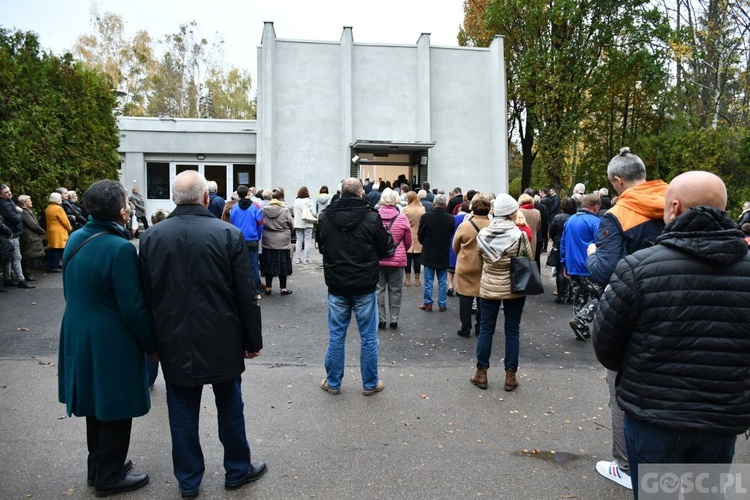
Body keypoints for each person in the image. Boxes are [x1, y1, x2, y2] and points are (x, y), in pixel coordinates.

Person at [592, 171, 750, 499]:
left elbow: (606, 344)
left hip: (654, 418)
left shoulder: (638, 268)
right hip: (722, 418)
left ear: (674, 208)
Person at [139, 170, 265, 499]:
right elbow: (245, 294)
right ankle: (237, 470)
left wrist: (151, 344)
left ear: (172, 199)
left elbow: (146, 298)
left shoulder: (152, 237)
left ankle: (189, 479)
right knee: (230, 407)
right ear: (206, 197)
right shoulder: (227, 234)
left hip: (174, 339)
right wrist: (253, 341)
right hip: (222, 336)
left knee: (181, 411)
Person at [57, 179, 156, 497]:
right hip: (110, 338)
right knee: (115, 404)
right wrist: (151, 343)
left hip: (77, 331)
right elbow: (133, 307)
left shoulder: (75, 238)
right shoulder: (120, 248)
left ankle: (98, 466)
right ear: (122, 211)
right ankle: (109, 477)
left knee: (95, 404)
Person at [586, 146, 668, 490]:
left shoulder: (618, 214)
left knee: (620, 389)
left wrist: (592, 255)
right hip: (681, 308)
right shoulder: (675, 202)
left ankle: (626, 466)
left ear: (617, 181)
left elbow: (604, 272)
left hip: (635, 314)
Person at [316, 177, 390, 396]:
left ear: (340, 193)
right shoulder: (371, 217)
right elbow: (383, 248)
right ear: (360, 193)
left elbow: (322, 247)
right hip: (364, 284)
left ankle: (333, 382)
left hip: (337, 283)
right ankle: (369, 383)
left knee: (337, 334)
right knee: (368, 336)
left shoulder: (325, 217)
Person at [471, 194, 533, 392]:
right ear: (511, 213)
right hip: (515, 288)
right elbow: (529, 259)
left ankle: (481, 373)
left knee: (486, 329)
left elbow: (479, 262)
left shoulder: (482, 235)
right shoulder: (520, 236)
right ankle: (510, 376)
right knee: (512, 330)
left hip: (489, 287)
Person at [560, 194, 601, 341]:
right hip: (588, 267)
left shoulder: (570, 220)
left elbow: (563, 243)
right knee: (601, 296)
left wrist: (564, 263)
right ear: (596, 207)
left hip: (573, 266)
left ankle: (581, 328)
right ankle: (581, 320)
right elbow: (600, 245)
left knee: (579, 296)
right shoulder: (596, 222)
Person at [452, 196, 491, 338]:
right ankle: (480, 326)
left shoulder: (466, 225)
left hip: (466, 264)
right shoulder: (491, 225)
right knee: (482, 298)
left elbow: (455, 245)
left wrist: (463, 255)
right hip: (485, 265)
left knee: (465, 297)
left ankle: (465, 327)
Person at [376, 188, 412, 330]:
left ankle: (381, 319)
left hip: (378, 259)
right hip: (396, 260)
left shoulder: (375, 216)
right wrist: (401, 250)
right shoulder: (402, 217)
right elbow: (408, 241)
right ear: (396, 200)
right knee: (396, 290)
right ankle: (394, 319)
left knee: (378, 290)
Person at [417, 193, 454, 312]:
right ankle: (442, 303)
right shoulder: (450, 217)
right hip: (443, 251)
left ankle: (428, 303)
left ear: (434, 203)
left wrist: (425, 243)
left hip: (429, 251)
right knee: (442, 281)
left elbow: (420, 235)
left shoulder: (426, 216)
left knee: (428, 280)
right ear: (445, 205)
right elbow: (450, 233)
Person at [230, 185, 264, 300]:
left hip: (237, 240)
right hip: (251, 240)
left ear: (238, 195)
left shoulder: (234, 208)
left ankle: (240, 291)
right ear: (248, 194)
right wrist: (257, 237)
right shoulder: (255, 207)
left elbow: (231, 224)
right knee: (253, 266)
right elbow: (260, 224)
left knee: (238, 267)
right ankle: (256, 291)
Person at [0, 184, 34, 288]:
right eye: (6, 192)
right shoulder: (5, 204)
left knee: (9, 258)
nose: (9, 193)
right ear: (0, 195)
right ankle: (21, 280)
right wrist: (20, 212)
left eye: (9, 191)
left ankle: (8, 279)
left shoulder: (7, 202)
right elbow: (15, 218)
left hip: (11, 232)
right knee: (16, 257)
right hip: (12, 233)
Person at [261, 188, 294, 295]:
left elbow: (261, 222)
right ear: (282, 198)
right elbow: (291, 224)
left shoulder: (264, 209)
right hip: (282, 241)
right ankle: (283, 288)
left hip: (268, 239)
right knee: (282, 264)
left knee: (268, 263)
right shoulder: (285, 210)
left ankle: (268, 287)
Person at [548, 197, 576, 303]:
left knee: (560, 269)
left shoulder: (558, 217)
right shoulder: (575, 217)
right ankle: (571, 295)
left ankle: (561, 295)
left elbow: (552, 231)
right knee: (571, 269)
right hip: (572, 244)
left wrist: (555, 238)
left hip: (559, 243)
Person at [18, 195, 45, 282]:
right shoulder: (25, 213)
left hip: (31, 236)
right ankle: (27, 273)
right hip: (30, 237)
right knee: (28, 256)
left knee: (30, 255)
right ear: (24, 203)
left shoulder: (27, 212)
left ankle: (28, 273)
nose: (31, 202)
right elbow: (33, 225)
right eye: (29, 200)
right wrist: (42, 231)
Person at [403, 191, 426, 287]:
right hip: (418, 235)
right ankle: (417, 279)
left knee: (408, 257)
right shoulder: (422, 209)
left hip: (407, 234)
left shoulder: (405, 209)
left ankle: (407, 278)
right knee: (417, 257)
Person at [292, 186, 316, 264]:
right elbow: (313, 212)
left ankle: (297, 259)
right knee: (307, 240)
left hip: (298, 223)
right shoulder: (308, 201)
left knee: (298, 240)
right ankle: (306, 259)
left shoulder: (296, 201)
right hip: (307, 222)